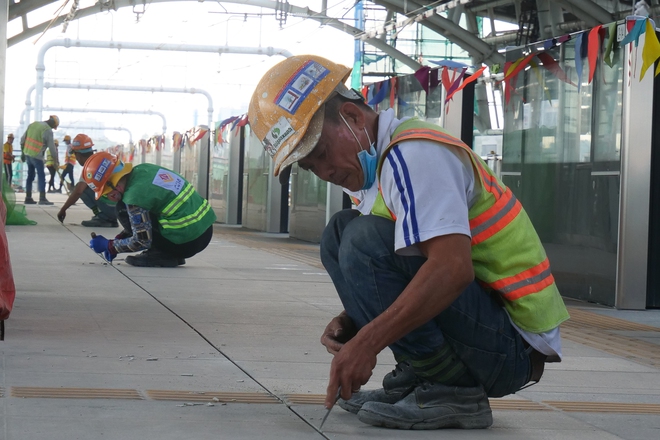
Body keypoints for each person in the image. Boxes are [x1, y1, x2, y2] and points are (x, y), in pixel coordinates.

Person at [247, 55, 570, 430]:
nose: (325, 172)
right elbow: (403, 268)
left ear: (352, 118)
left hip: (512, 347)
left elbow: (452, 269)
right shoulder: (379, 171)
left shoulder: (415, 154)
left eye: (320, 154)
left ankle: (452, 389)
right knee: (340, 233)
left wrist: (367, 343)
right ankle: (424, 376)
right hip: (485, 328)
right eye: (310, 167)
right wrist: (353, 321)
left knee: (361, 238)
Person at [83, 151, 216, 267]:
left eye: (105, 193)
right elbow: (143, 219)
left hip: (186, 242)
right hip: (204, 231)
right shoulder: (143, 170)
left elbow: (141, 240)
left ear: (113, 185)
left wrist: (110, 246)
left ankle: (160, 254)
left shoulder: (134, 197)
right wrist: (119, 239)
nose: (109, 197)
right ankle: (169, 253)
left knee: (122, 209)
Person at [57, 134, 118, 228]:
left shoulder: (90, 168)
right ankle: (110, 218)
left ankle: (104, 217)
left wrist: (63, 209)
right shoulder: (105, 158)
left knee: (83, 189)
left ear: (78, 155)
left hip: (112, 208)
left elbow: (78, 191)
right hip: (122, 208)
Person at [20, 115, 60, 205]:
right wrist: (56, 161)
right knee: (41, 176)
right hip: (37, 156)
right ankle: (42, 198)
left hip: (27, 154)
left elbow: (22, 140)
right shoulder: (48, 130)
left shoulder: (33, 124)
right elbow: (52, 148)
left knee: (30, 176)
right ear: (53, 124)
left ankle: (28, 197)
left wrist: (23, 153)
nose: (53, 128)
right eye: (54, 127)